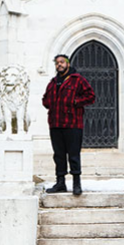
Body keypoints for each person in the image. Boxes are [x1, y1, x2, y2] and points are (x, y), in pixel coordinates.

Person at [42, 54, 95, 196]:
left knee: (73, 155)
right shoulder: (53, 82)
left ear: (68, 64)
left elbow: (91, 96)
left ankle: (76, 183)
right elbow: (45, 99)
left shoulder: (78, 80)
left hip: (73, 124)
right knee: (58, 155)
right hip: (55, 124)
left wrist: (76, 102)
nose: (59, 64)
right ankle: (60, 183)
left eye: (62, 62)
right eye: (57, 63)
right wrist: (49, 104)